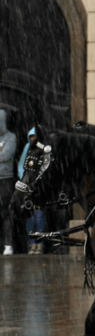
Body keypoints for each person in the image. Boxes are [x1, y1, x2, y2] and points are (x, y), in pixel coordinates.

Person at [18, 127, 45, 254]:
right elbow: (21, 165)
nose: (33, 140)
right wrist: (25, 180)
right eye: (31, 137)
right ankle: (32, 242)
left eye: (35, 137)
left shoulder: (43, 149)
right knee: (30, 217)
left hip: (39, 186)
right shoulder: (27, 149)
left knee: (39, 216)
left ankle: (40, 242)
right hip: (28, 186)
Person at [0, 109, 17, 255]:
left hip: (5, 180)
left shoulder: (11, 137)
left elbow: (6, 154)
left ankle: (8, 245)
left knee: (6, 213)